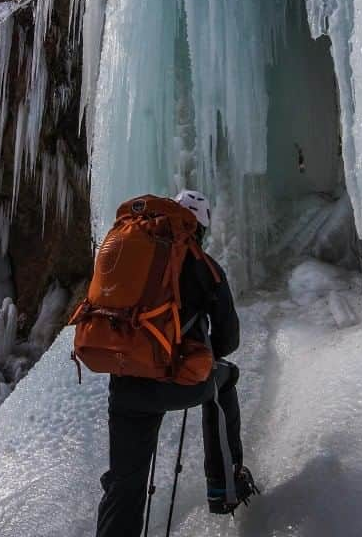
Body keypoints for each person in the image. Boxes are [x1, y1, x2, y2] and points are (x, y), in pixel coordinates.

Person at [95, 190, 257, 537]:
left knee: (125, 485)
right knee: (225, 379)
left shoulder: (132, 251)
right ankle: (223, 487)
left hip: (125, 384)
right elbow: (228, 341)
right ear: (199, 229)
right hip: (174, 382)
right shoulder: (204, 266)